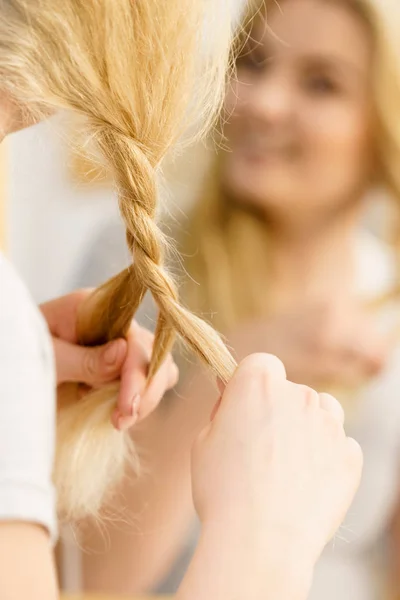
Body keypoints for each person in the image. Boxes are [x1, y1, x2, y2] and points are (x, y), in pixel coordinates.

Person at [0, 1, 363, 600]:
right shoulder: (133, 264)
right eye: (252, 63)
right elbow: (91, 582)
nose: (266, 104)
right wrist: (266, 541)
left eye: (322, 83)